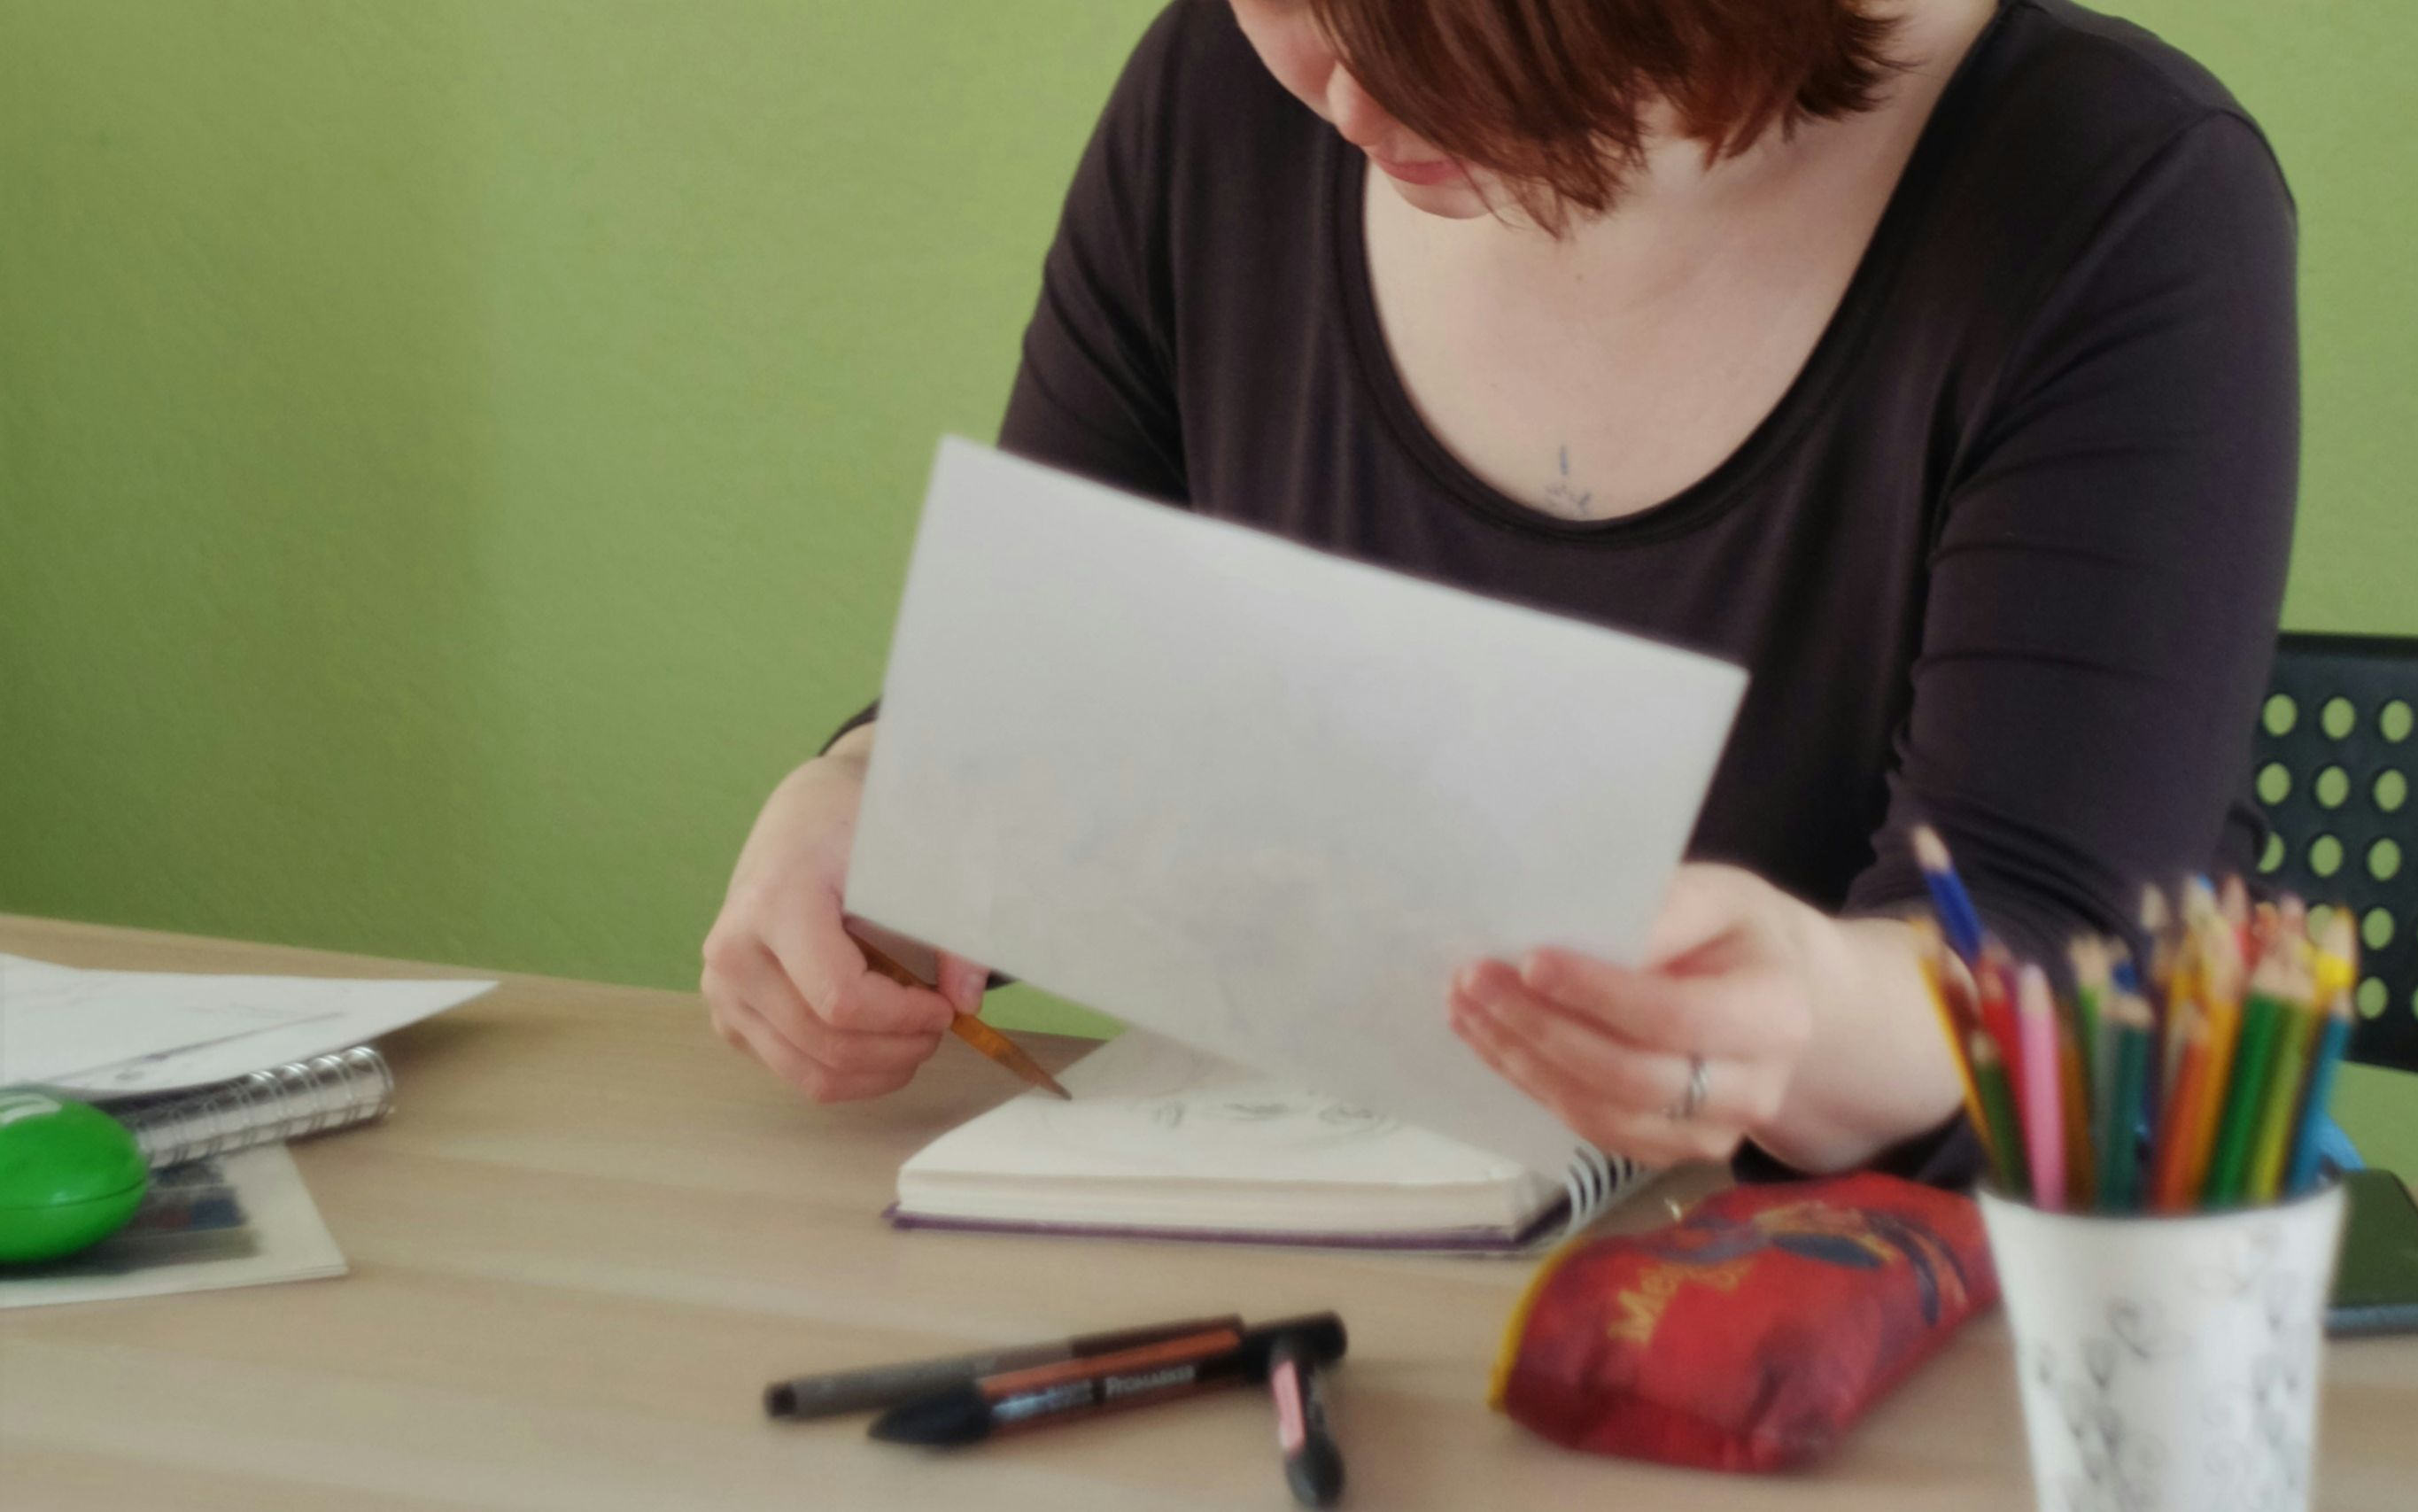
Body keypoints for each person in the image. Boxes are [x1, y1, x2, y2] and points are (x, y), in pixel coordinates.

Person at [701, 0, 2296, 1181]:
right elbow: (1051, 679)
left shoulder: (2114, 197)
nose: (1340, 87)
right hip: (1349, 1301)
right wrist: (871, 797)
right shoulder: (1216, 102)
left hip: (1920, 1352)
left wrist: (1804, 1014)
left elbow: (2048, 950)